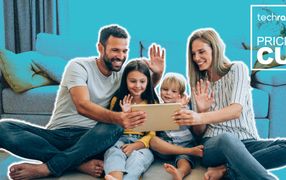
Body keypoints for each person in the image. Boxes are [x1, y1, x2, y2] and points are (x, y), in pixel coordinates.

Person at [0, 24, 165, 179]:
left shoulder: (121, 73)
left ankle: (47, 168)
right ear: (100, 48)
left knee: (114, 125)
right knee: (3, 127)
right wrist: (118, 117)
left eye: (124, 51)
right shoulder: (79, 66)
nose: (121, 56)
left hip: (95, 139)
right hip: (60, 133)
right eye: (115, 50)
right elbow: (82, 106)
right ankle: (78, 164)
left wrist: (157, 74)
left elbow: (140, 91)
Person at [173, 28, 286, 180]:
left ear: (215, 49)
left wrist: (200, 117)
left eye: (201, 51)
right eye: (193, 54)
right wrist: (202, 111)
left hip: (247, 143)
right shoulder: (200, 82)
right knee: (226, 138)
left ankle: (225, 170)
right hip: (214, 145)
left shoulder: (237, 69)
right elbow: (198, 133)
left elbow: (235, 110)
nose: (196, 57)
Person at [104, 60, 158, 180]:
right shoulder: (117, 100)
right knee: (114, 153)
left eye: (142, 81)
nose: (138, 86)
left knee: (137, 159)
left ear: (148, 82)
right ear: (125, 81)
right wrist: (123, 115)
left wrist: (136, 145)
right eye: (133, 81)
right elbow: (110, 128)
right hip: (120, 139)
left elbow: (152, 134)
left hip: (142, 144)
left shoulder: (151, 103)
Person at [150, 73, 203, 180]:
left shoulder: (186, 107)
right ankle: (189, 152)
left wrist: (180, 107)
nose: (168, 93)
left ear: (180, 95)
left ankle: (180, 172)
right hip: (167, 147)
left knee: (184, 161)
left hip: (185, 144)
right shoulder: (158, 107)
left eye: (173, 91)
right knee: (153, 141)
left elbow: (191, 121)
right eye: (165, 89)